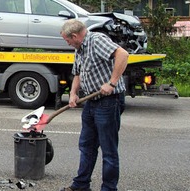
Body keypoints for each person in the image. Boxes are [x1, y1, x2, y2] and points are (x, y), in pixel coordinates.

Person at [59, 19, 128, 191]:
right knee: (87, 146)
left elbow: (123, 55)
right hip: (91, 102)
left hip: (109, 102)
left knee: (108, 150)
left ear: (74, 36)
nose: (67, 43)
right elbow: (78, 73)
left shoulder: (96, 40)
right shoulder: (80, 49)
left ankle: (109, 188)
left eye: (67, 40)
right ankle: (81, 185)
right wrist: (73, 93)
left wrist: (111, 83)